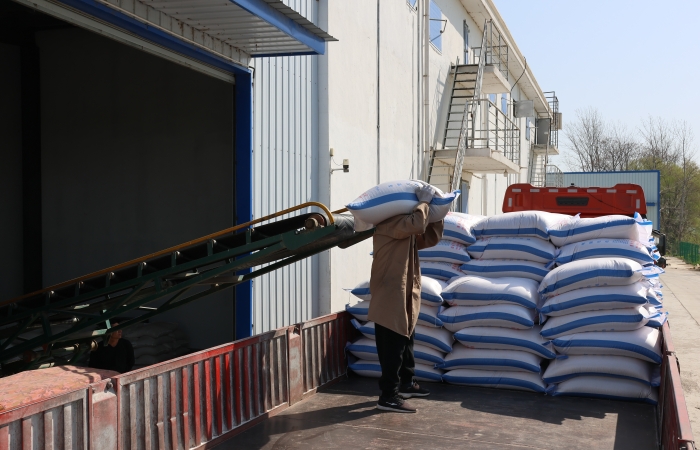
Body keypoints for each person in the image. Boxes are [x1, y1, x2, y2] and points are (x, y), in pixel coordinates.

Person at [368, 184, 444, 413]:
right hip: (389, 292)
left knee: (406, 338)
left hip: (403, 291)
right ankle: (388, 396)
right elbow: (417, 224)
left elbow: (429, 238)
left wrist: (438, 214)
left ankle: (406, 383)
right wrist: (425, 203)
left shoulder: (404, 230)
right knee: (392, 344)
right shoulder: (388, 224)